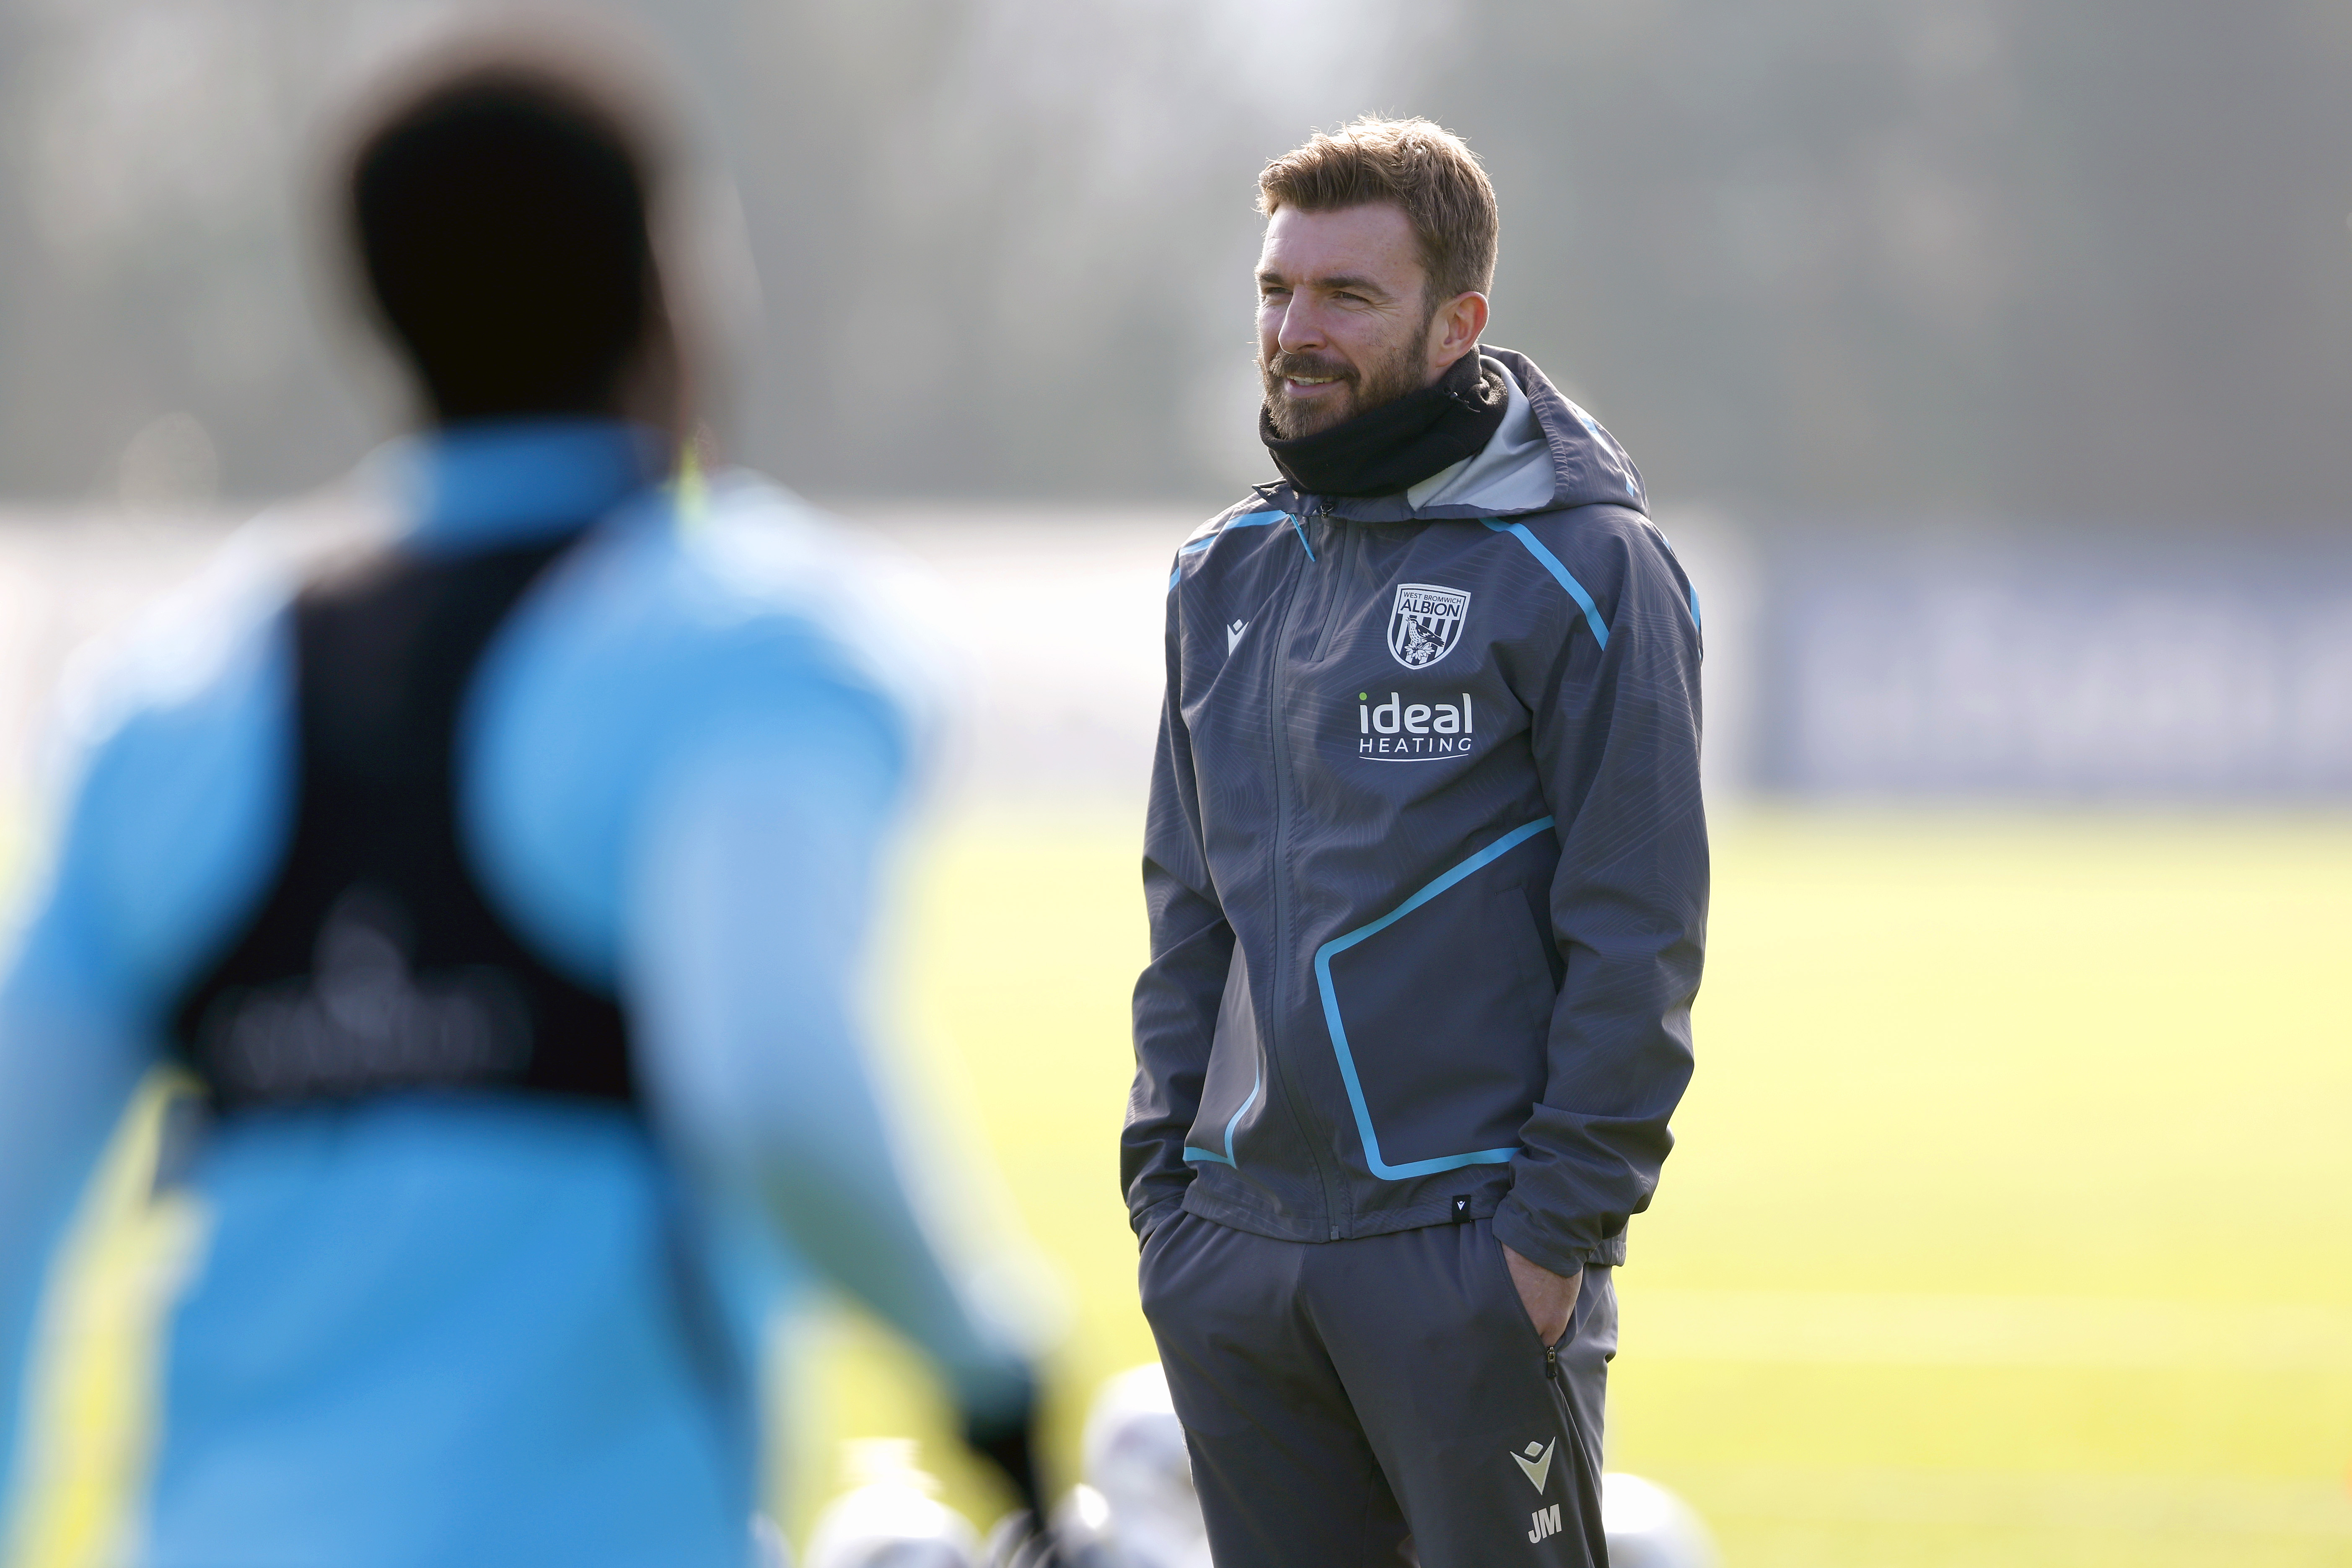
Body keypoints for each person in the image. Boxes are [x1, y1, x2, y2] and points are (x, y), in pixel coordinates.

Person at [0, 47, 1055, 1567]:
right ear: (666, 294)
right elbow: (774, 1085)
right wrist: (992, 1376)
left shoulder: (169, 703)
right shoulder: (749, 645)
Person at [1125, 117, 1706, 1567]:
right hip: (1237, 1260)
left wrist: (1544, 1248)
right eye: (1276, 290)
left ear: (1459, 324)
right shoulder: (1223, 573)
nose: (1294, 331)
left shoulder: (1585, 568)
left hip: (1466, 1256)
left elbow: (1639, 931)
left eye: (1346, 297)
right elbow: (1184, 913)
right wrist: (1168, 1206)